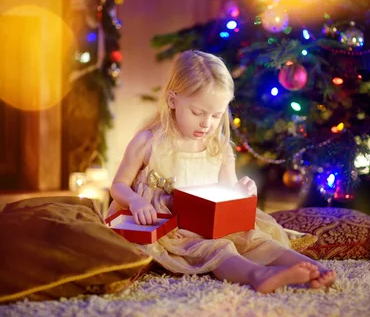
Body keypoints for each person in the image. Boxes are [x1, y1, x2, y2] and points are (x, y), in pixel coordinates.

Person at [107, 50, 336, 294]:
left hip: (209, 221)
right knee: (218, 248)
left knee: (254, 237)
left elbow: (228, 191)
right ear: (173, 101)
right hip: (171, 226)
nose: (206, 123)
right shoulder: (149, 142)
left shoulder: (219, 148)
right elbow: (118, 185)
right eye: (198, 113)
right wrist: (135, 201)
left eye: (216, 115)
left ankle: (312, 267)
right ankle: (258, 274)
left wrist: (242, 192)